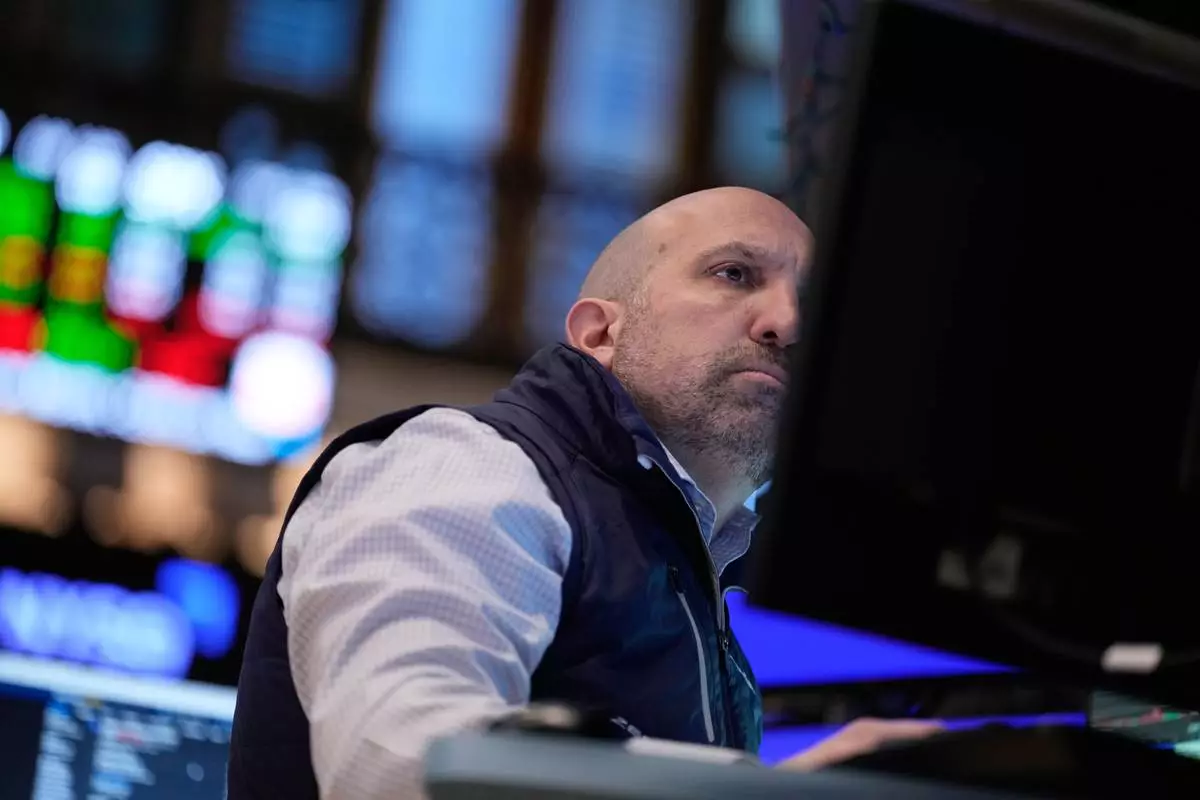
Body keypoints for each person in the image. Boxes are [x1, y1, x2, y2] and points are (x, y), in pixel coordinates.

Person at [227, 187, 940, 799]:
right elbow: (413, 772)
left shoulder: (691, 576)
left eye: (809, 304)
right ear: (599, 332)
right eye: (733, 274)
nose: (785, 323)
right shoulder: (468, 465)